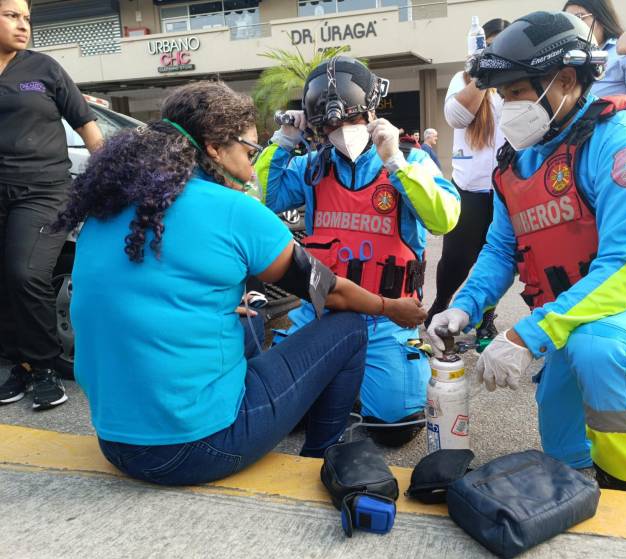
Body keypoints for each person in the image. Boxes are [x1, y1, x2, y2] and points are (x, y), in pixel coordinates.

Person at [428, 11, 626, 494]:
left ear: (566, 80)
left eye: (515, 92)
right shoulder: (519, 162)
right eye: (501, 95)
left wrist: (529, 334)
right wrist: (463, 306)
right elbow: (499, 250)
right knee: (567, 450)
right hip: (577, 318)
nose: (506, 107)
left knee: (602, 351)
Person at [55, 81, 426, 486]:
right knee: (348, 325)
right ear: (215, 147)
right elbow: (330, 290)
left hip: (116, 441)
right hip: (198, 448)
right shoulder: (232, 209)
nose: (252, 170)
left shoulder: (106, 208)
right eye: (249, 151)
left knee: (249, 313)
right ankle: (322, 456)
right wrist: (390, 308)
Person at [255, 56, 459, 446]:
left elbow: (444, 219)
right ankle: (339, 384)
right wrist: (282, 143)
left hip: (387, 316)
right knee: (278, 408)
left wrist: (395, 163)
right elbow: (264, 197)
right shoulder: (312, 167)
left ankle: (354, 383)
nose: (342, 130)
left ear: (370, 113)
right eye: (331, 124)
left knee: (395, 427)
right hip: (321, 310)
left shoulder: (410, 161)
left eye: (351, 119)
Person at [0, 0, 103, 410]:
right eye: (12, 15)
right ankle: (21, 366)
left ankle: (44, 367)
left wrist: (117, 177)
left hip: (43, 190)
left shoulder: (43, 69)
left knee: (25, 274)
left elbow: (88, 126)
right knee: (5, 283)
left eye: (27, 17)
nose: (23, 25)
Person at [426, 18, 510, 346]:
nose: (496, 52)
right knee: (457, 258)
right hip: (469, 187)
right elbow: (456, 117)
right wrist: (482, 78)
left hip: (506, 189)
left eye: (503, 46)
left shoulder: (517, 82)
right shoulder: (464, 80)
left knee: (499, 256)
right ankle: (440, 305)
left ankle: (487, 319)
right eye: (490, 45)